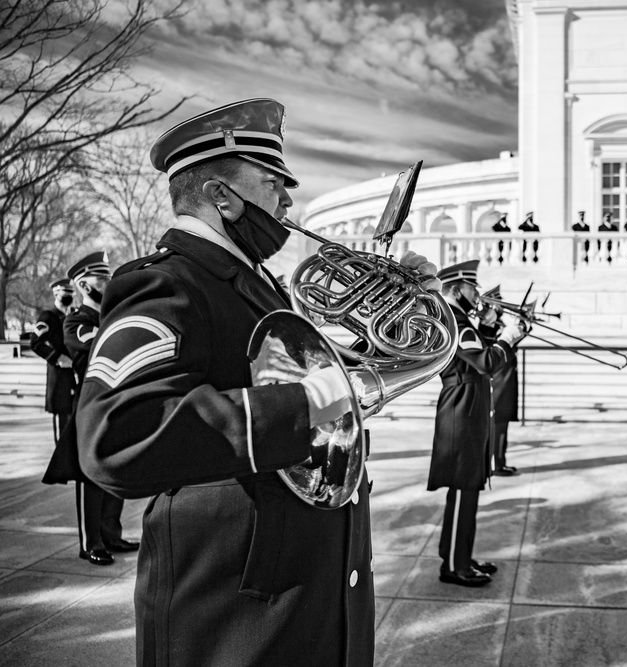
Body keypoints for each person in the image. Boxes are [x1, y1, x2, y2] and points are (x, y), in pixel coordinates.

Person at [74, 98, 439, 666]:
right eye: (274, 182)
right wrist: (315, 402)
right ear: (223, 194)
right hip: (236, 624)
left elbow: (318, 376)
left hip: (299, 605)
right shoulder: (168, 284)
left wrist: (410, 312)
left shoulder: (251, 284)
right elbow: (117, 435)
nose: (288, 200)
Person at [429, 260, 525, 587]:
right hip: (461, 407)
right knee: (463, 487)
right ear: (457, 290)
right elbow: (484, 362)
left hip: (467, 405)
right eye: (472, 288)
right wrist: (507, 337)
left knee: (468, 486)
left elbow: (479, 354)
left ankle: (459, 555)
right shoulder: (454, 321)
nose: (477, 293)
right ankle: (455, 566)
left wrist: (489, 330)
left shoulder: (461, 322)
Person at [42, 252, 137, 566]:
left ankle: (111, 534)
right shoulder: (76, 321)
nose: (108, 283)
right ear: (83, 284)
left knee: (117, 471)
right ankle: (90, 542)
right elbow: (104, 346)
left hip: (119, 403)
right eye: (102, 278)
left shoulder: (112, 316)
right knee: (91, 475)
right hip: (91, 405)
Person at [28, 279, 76, 444]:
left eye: (71, 292)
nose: (69, 295)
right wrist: (57, 358)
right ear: (56, 293)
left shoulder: (74, 315)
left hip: (76, 375)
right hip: (59, 376)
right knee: (62, 424)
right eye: (66, 292)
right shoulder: (48, 316)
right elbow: (35, 343)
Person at [479, 286, 520, 477]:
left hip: (505, 380)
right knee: (497, 424)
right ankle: (495, 464)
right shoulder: (487, 326)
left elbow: (511, 344)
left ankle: (500, 462)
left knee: (502, 424)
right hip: (498, 382)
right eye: (499, 304)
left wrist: (522, 326)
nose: (502, 309)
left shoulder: (498, 324)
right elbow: (494, 350)